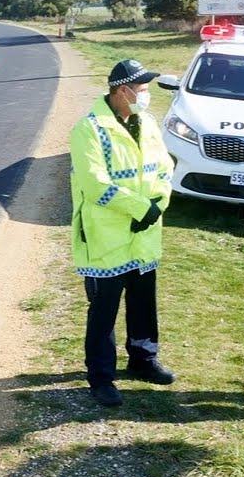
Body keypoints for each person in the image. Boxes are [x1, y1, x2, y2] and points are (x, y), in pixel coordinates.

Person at [69, 59, 176, 407]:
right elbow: (95, 183)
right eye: (141, 89)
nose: (145, 95)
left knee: (144, 303)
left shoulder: (146, 122)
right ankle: (101, 377)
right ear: (121, 90)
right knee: (104, 311)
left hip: (144, 233)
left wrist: (158, 202)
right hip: (106, 237)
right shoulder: (89, 128)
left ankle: (144, 359)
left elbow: (164, 167)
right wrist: (140, 208)